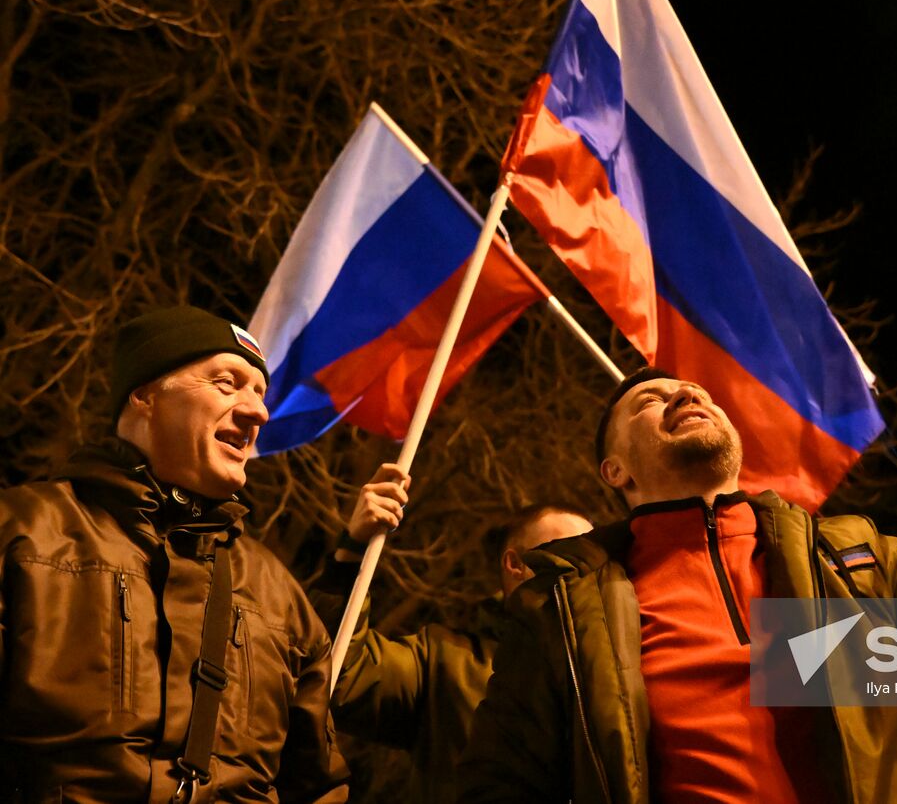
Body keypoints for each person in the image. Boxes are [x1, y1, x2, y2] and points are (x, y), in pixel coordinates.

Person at [461, 368, 897, 803]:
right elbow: (502, 784)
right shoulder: (559, 607)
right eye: (650, 400)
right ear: (615, 470)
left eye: (697, 392)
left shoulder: (854, 560)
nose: (686, 393)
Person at [0, 306, 349, 802]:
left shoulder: (279, 594)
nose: (258, 412)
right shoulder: (23, 534)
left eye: (259, 393)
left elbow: (319, 787)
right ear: (145, 394)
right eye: (227, 384)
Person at [318, 479, 592, 802]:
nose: (578, 569)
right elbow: (342, 677)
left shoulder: (619, 671)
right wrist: (352, 552)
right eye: (562, 553)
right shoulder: (446, 662)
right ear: (515, 564)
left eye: (589, 559)